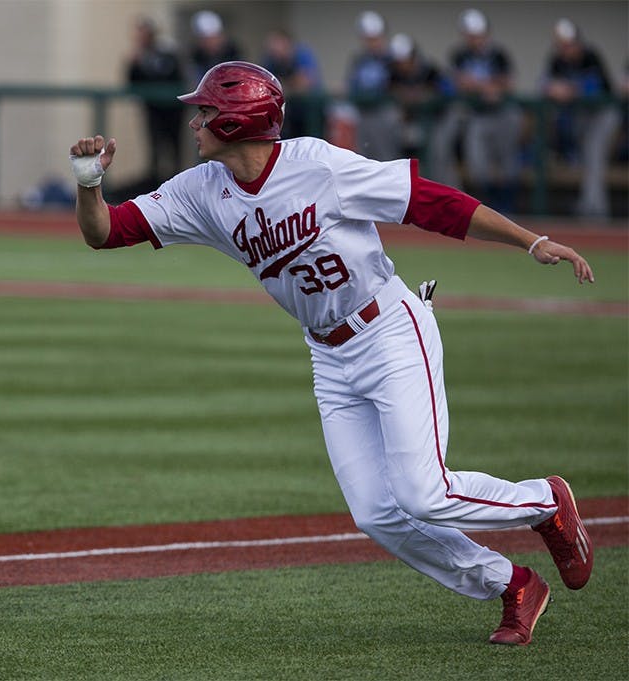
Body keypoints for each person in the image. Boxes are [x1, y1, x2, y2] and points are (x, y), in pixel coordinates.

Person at [68, 61, 594, 646]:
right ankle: (513, 585)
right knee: (376, 513)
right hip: (330, 358)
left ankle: (545, 502)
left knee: (425, 492)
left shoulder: (318, 166)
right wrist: (89, 179)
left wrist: (533, 241)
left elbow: (431, 203)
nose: (195, 121)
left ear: (241, 121)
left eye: (208, 111)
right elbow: (105, 232)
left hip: (390, 331)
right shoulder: (201, 191)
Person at [541, 19, 620, 218]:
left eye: (568, 45)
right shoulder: (556, 60)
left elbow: (600, 89)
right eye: (561, 45)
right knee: (585, 160)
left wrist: (571, 90)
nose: (565, 49)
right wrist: (553, 89)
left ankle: (594, 211)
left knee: (594, 157)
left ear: (577, 43)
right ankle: (589, 206)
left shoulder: (590, 56)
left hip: (603, 115)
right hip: (579, 118)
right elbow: (544, 84)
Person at [449, 8, 522, 212]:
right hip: (477, 115)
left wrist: (482, 85)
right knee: (477, 166)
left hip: (503, 114)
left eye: (478, 35)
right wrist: (487, 86)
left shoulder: (498, 53)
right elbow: (460, 82)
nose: (475, 40)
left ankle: (506, 207)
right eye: (471, 36)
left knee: (508, 163)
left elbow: (509, 82)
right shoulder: (460, 55)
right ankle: (487, 208)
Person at [388, 33, 463, 187]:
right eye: (399, 61)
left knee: (440, 157)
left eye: (406, 60)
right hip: (413, 126)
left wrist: (426, 94)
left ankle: (453, 198)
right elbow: (389, 92)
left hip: (440, 121)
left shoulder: (430, 71)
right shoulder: (393, 74)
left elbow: (449, 93)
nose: (402, 65)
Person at [126, 16, 186, 184]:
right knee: (155, 148)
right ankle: (154, 183)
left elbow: (171, 75)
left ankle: (176, 182)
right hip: (152, 109)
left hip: (173, 109)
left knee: (174, 147)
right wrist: (134, 64)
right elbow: (132, 82)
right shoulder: (139, 55)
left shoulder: (167, 50)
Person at [345, 11, 400, 161]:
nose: (372, 43)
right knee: (364, 156)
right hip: (363, 114)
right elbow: (351, 85)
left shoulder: (393, 59)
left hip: (385, 112)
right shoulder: (359, 60)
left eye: (375, 38)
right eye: (368, 39)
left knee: (386, 156)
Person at [260, 27, 323, 139]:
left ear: (286, 43)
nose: (272, 47)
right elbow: (265, 85)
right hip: (286, 110)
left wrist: (285, 85)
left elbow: (305, 83)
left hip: (308, 110)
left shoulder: (302, 54)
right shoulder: (270, 60)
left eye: (276, 43)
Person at [187, 10, 241, 86]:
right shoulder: (194, 57)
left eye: (213, 38)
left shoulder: (234, 55)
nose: (210, 42)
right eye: (205, 39)